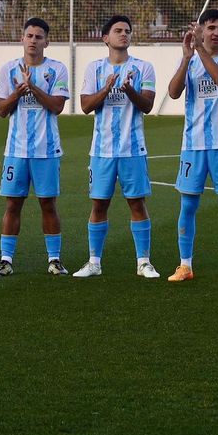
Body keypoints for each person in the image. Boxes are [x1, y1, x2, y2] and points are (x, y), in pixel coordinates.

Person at [166, 8, 218, 283]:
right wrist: (186, 58)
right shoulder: (191, 60)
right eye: (211, 27)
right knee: (187, 206)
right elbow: (174, 92)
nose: (216, 33)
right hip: (193, 144)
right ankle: (185, 265)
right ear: (201, 28)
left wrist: (200, 49)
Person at [76, 15, 160, 278]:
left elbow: (147, 105)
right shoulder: (94, 69)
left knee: (137, 203)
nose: (124, 34)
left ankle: (143, 262)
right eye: (118, 30)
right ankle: (94, 262)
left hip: (133, 150)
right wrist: (107, 88)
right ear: (105, 38)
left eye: (127, 31)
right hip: (101, 151)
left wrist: (129, 91)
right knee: (99, 205)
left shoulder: (143, 67)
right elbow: (86, 106)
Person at [0, 17, 72, 276]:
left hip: (46, 151)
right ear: (22, 39)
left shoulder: (57, 69)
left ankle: (54, 260)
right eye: (29, 36)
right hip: (15, 151)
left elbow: (57, 106)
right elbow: (1, 111)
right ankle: (6, 260)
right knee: (13, 205)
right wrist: (18, 91)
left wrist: (32, 86)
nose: (33, 41)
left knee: (48, 204)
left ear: (46, 42)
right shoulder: (8, 69)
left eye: (39, 37)